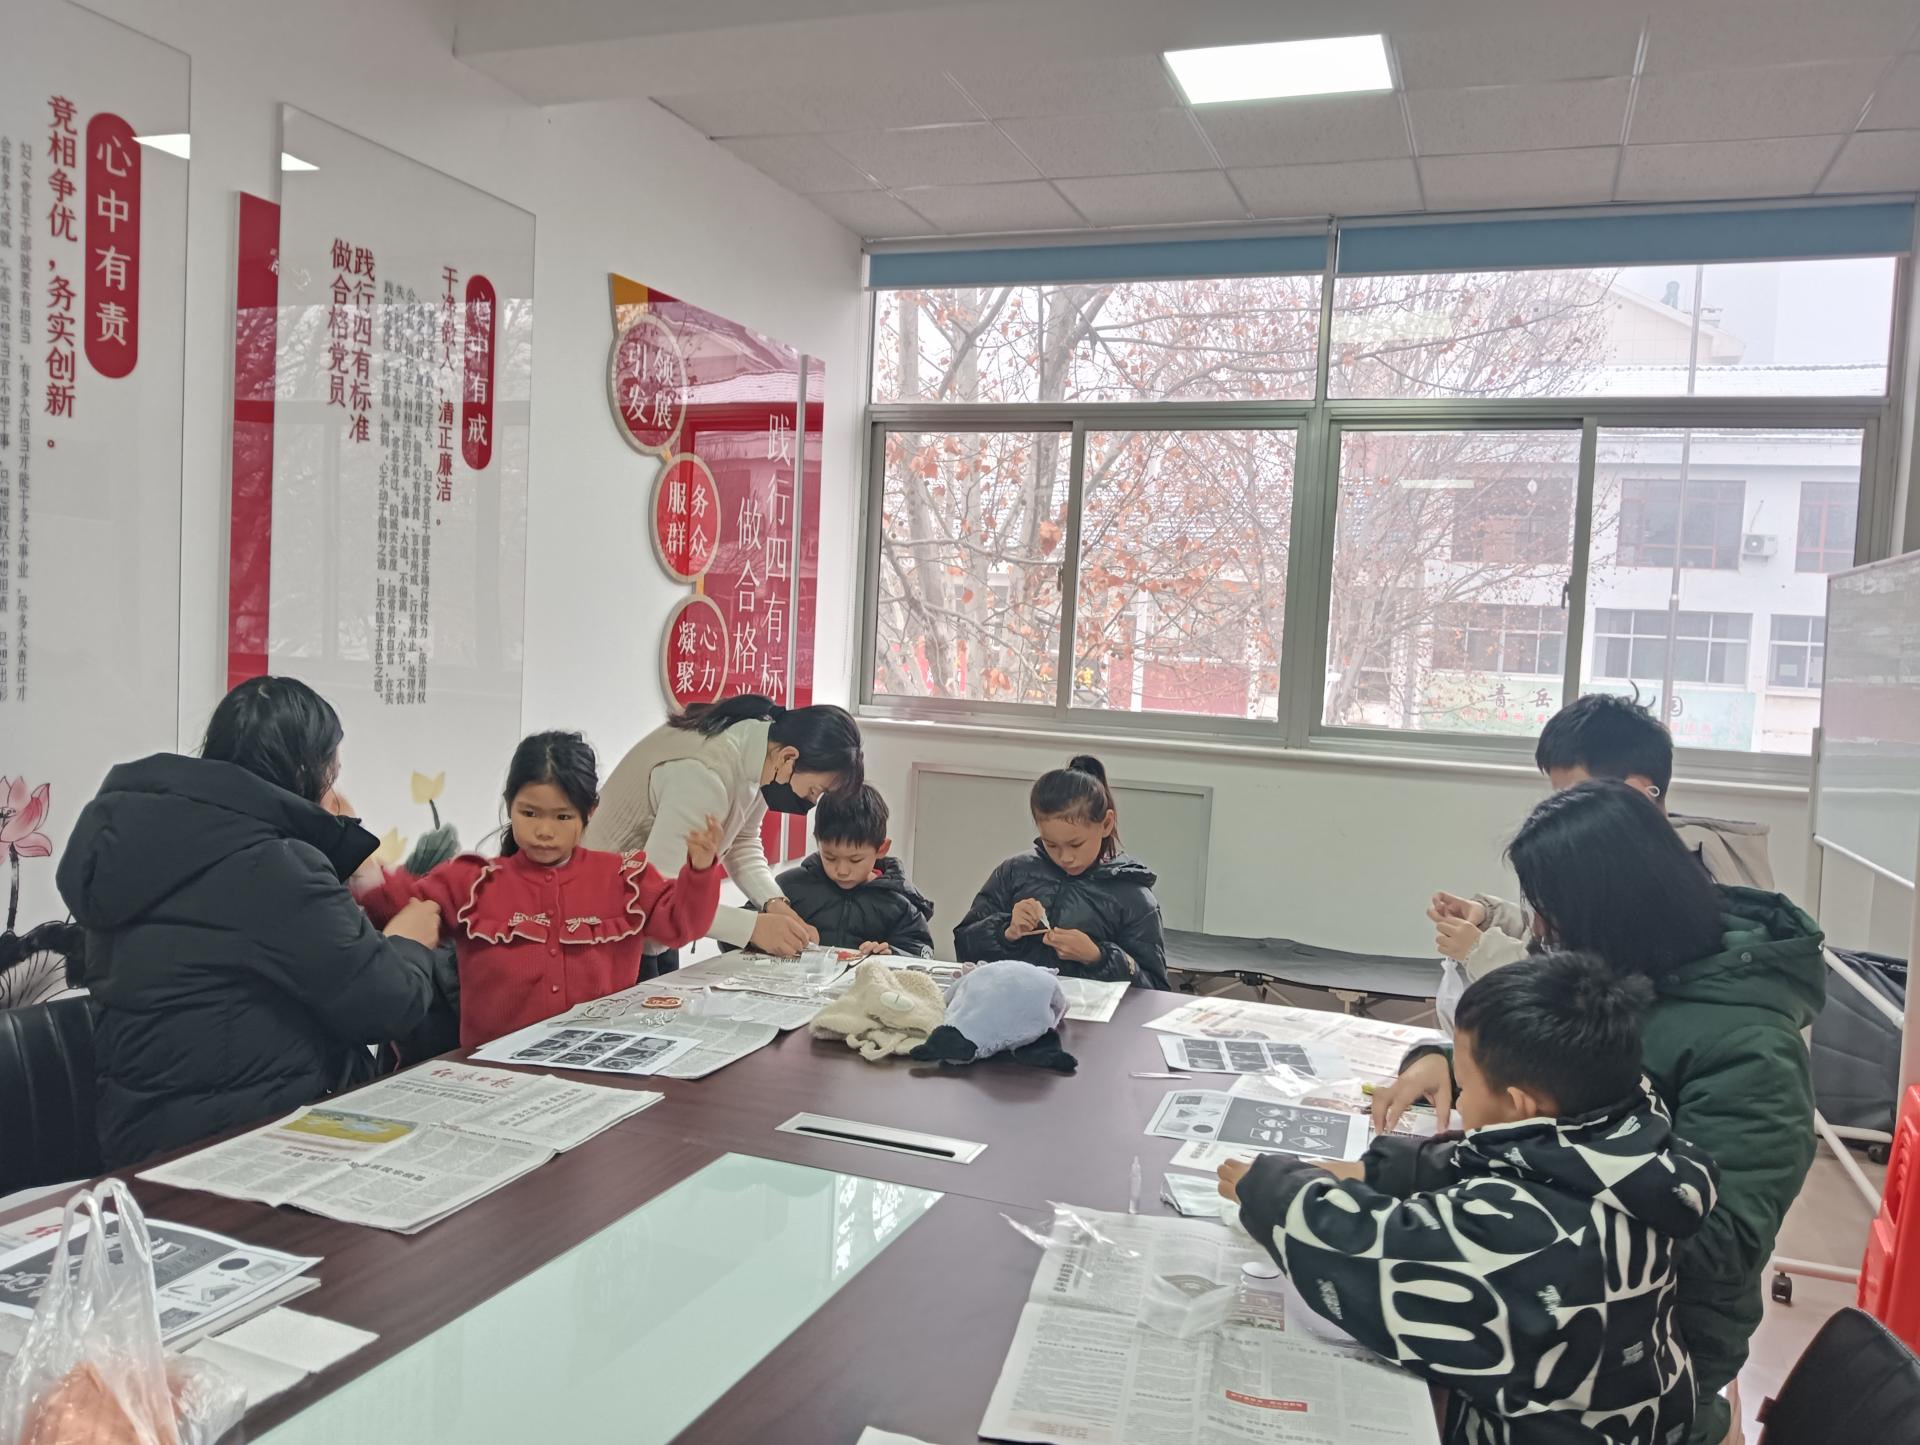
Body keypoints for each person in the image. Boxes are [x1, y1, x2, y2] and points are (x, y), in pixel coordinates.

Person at [1375, 780, 1824, 1445]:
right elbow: (1547, 1065)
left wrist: (1496, 1179)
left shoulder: (1752, 1049)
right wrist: (1446, 1061)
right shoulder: (1626, 967)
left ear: (1609, 909)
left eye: (1550, 914)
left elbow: (1719, 1245)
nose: (1539, 931)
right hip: (1557, 1293)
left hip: (1648, 1351)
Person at [1220, 951, 1719, 1445]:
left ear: (1520, 1104)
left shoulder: (1525, 1234)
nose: (1458, 1100)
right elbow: (1515, 1158)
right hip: (1643, 1411)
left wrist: (1269, 1189)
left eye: (1465, 1085)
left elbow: (1366, 1254)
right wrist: (1387, 1168)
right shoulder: (1637, 1128)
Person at [56, 676, 442, 1169]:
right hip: (243, 1145)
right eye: (332, 773)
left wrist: (332, 847)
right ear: (305, 770)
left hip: (142, 1138)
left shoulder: (144, 841)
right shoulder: (273, 865)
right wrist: (408, 942)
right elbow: (388, 1004)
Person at [356, 731, 724, 1047]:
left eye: (563, 817)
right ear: (509, 805)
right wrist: (363, 870)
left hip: (598, 1062)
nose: (544, 831)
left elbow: (681, 926)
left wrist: (700, 871)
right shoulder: (473, 882)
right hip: (496, 1074)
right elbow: (404, 912)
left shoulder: (623, 878)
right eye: (529, 813)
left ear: (590, 812)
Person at [1429, 693, 1777, 991]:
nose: (1562, 811)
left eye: (1575, 794)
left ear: (1637, 791)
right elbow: (1568, 937)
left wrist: (1481, 952)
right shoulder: (1636, 852)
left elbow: (1583, 990)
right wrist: (1491, 917)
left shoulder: (1672, 875)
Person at [585, 696, 864, 971]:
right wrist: (753, 928)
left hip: (650, 926)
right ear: (789, 757)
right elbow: (660, 893)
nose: (811, 801)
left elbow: (743, 841)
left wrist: (775, 903)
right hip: (603, 921)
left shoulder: (763, 752)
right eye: (815, 790)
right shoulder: (704, 774)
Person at [952, 756, 1168, 988]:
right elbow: (964, 946)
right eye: (1051, 844)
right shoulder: (1015, 872)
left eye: (1076, 844)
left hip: (1086, 1011)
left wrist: (1097, 957)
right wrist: (1007, 931)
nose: (1065, 857)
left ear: (1106, 824)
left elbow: (1155, 989)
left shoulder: (1133, 897)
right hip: (1012, 1003)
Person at [775, 784, 934, 957]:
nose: (842, 871)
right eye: (830, 857)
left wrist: (892, 953)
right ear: (817, 842)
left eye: (855, 860)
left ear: (881, 849)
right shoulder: (789, 887)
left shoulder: (899, 903)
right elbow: (756, 928)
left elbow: (920, 953)